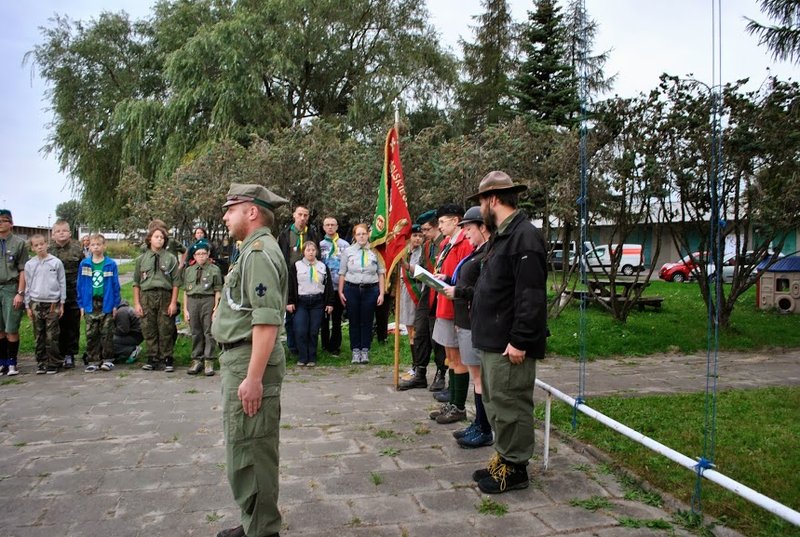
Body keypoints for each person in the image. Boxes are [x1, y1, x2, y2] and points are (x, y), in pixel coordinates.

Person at [211, 182, 289, 537]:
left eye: (231, 209)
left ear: (251, 211)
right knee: (245, 447)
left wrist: (254, 377)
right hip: (240, 359)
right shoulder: (253, 250)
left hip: (248, 361)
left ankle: (262, 530)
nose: (226, 216)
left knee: (251, 451)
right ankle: (254, 521)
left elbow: (266, 320)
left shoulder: (258, 253)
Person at [468, 171, 548, 494]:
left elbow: (530, 296)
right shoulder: (504, 234)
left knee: (511, 404)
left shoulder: (524, 236)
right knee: (496, 402)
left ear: (493, 200)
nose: (481, 209)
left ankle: (516, 469)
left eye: (482, 202)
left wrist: (520, 339)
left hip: (508, 343)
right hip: (493, 340)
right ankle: (504, 457)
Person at [442, 207, 493, 448]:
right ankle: (478, 424)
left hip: (474, 322)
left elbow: (484, 290)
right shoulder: (478, 252)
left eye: (469, 228)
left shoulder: (488, 254)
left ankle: (484, 428)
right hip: (463, 320)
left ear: (483, 227)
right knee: (476, 378)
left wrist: (458, 291)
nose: (466, 233)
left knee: (478, 378)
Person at [428, 203, 474, 424]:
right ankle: (453, 402)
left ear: (456, 221)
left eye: (443, 222)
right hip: (443, 304)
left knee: (458, 358)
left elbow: (465, 277)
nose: (440, 226)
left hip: (455, 307)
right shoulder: (446, 243)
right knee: (449, 356)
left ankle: (459, 406)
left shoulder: (465, 244)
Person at [398, 210, 446, 391]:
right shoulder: (428, 247)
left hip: (442, 292)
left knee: (438, 336)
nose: (423, 234)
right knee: (420, 333)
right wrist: (406, 266)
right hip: (428, 293)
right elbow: (423, 272)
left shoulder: (445, 244)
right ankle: (420, 372)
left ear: (435, 228)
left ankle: (441, 373)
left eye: (426, 230)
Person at [133, 221, 181, 372]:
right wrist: (137, 303)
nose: (159, 239)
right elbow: (136, 283)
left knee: (165, 327)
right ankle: (152, 357)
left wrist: (173, 302)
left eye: (161, 237)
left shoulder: (171, 259)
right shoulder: (142, 259)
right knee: (148, 327)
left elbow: (176, 283)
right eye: (156, 237)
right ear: (150, 239)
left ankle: (167, 357)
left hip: (165, 295)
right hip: (146, 296)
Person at [338, 223, 385, 364]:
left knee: (367, 321)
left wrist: (381, 293)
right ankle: (355, 350)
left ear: (368, 234)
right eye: (358, 234)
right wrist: (340, 291)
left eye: (364, 233)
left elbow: (381, 273)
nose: (361, 236)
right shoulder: (348, 251)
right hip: (352, 289)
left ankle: (365, 350)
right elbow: (342, 272)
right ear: (354, 236)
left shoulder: (375, 251)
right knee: (354, 320)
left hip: (370, 290)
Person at [278, 205, 320, 355]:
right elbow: (281, 255)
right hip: (291, 275)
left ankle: (308, 346)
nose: (303, 218)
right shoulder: (285, 234)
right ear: (294, 215)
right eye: (300, 215)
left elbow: (317, 253)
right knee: (290, 311)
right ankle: (293, 346)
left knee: (307, 315)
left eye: (306, 215)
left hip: (308, 276)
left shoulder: (312, 233)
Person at [77, 234, 122, 372]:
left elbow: (115, 285)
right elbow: (80, 285)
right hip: (90, 303)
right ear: (88, 247)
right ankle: (93, 360)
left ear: (104, 246)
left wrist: (115, 304)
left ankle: (108, 359)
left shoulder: (110, 264)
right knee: (91, 333)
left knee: (106, 332)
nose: (96, 247)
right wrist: (81, 305)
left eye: (98, 244)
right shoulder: (85, 264)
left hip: (106, 303)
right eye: (93, 245)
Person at [287, 241, 334, 367]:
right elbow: (291, 285)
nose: (311, 252)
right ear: (303, 252)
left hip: (317, 302)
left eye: (313, 250)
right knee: (301, 329)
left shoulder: (322, 266)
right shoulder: (296, 266)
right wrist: (290, 301)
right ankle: (302, 357)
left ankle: (312, 357)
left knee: (313, 331)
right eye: (308, 250)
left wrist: (329, 303)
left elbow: (328, 286)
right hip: (301, 302)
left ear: (316, 252)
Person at [24, 234, 66, 374]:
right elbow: (28, 285)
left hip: (52, 302)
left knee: (52, 334)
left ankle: (54, 362)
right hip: (36, 302)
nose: (40, 247)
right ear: (32, 248)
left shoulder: (55, 262)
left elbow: (62, 282)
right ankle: (41, 361)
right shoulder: (30, 264)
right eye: (36, 245)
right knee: (39, 334)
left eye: (42, 244)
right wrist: (27, 305)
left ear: (46, 244)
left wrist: (62, 302)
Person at [182, 243, 223, 376]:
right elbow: (185, 291)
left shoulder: (214, 269)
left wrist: (216, 307)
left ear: (208, 254)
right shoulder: (189, 270)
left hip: (208, 300)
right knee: (195, 331)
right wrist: (185, 309)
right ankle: (196, 359)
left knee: (208, 331)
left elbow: (218, 290)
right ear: (194, 256)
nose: (201, 256)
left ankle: (209, 360)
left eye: (204, 253)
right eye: (198, 254)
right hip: (193, 301)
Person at [49, 220, 83, 369]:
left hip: (73, 292)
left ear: (70, 233)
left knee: (72, 325)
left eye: (64, 230)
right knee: (56, 325)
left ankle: (70, 354)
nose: (61, 233)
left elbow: (85, 270)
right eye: (58, 231)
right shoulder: (48, 250)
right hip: (53, 294)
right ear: (53, 234)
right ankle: (58, 355)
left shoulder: (78, 249)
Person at [0, 209, 28, 376]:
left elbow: (23, 269)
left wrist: (20, 292)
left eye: (4, 220)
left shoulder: (18, 243)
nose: (1, 223)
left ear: (10, 223)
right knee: (0, 328)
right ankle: (2, 362)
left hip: (11, 287)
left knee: (11, 327)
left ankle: (12, 363)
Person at [318, 216, 349, 355]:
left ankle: (335, 346)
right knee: (324, 318)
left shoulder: (345, 245)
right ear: (323, 227)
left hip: (339, 287)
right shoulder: (319, 245)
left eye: (332, 225)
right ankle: (325, 345)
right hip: (324, 287)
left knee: (336, 318)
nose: (330, 227)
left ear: (337, 227)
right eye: (327, 225)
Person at [397, 224, 423, 370]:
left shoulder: (422, 252)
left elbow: (421, 272)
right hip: (404, 289)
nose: (417, 239)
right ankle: (414, 365)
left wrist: (406, 266)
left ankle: (418, 365)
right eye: (415, 236)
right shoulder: (404, 251)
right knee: (409, 330)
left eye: (420, 236)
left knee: (416, 330)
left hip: (416, 288)